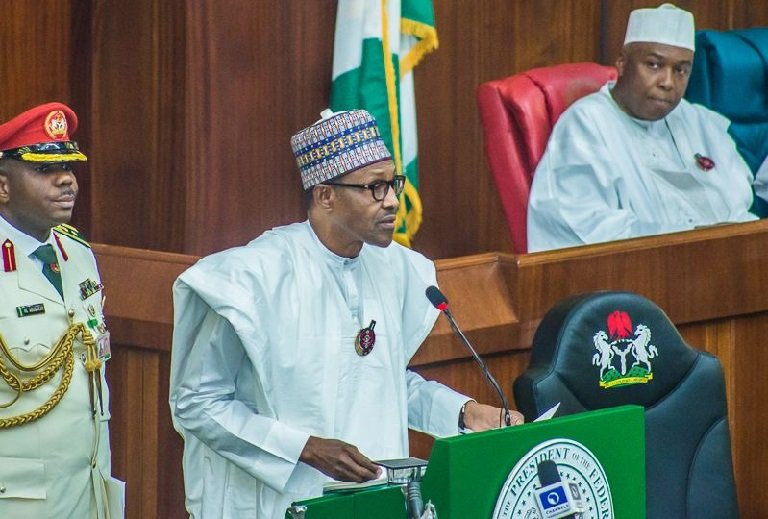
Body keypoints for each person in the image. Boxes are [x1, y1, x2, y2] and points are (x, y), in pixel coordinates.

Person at [169, 109, 524, 518]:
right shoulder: (251, 279)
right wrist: (304, 448)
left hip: (370, 500)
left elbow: (383, 383)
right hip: (274, 503)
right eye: (374, 187)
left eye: (393, 183)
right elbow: (197, 401)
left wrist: (464, 413)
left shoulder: (399, 270)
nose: (392, 201)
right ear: (325, 196)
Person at [527, 3, 758, 252]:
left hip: (720, 267)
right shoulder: (586, 124)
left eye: (681, 70)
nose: (668, 82)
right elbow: (587, 229)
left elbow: (739, 208)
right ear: (623, 64)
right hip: (632, 277)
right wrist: (690, 238)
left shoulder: (698, 121)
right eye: (654, 65)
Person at [0, 103, 124, 518]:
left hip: (87, 489)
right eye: (44, 170)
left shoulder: (76, 253)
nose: (66, 180)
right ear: (3, 186)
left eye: (69, 167)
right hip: (17, 499)